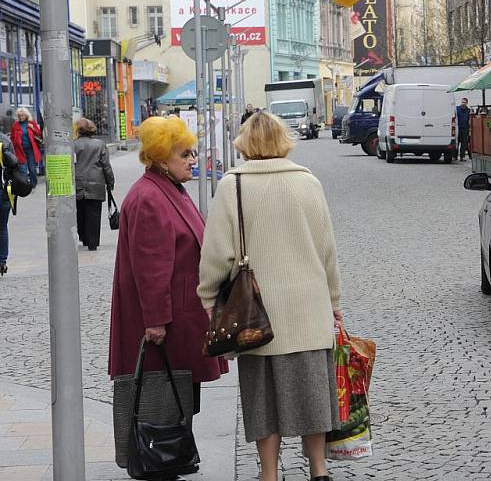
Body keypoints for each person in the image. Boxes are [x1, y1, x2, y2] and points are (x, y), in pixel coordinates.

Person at [198, 112, 342, 481]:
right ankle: (319, 470)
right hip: (309, 310)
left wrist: (209, 297)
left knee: (263, 400)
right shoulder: (308, 182)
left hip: (255, 314)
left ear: (245, 143)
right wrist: (334, 304)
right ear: (284, 139)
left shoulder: (233, 185)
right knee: (313, 396)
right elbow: (327, 250)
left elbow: (218, 253)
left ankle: (268, 474)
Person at [109, 116, 228, 436]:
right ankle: (162, 454)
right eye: (184, 154)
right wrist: (156, 321)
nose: (193, 160)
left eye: (192, 152)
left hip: (182, 311)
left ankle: (173, 450)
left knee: (179, 392)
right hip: (167, 318)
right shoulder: (150, 198)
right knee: (165, 394)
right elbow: (151, 269)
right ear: (161, 159)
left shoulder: (167, 188)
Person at [74, 118, 115, 251]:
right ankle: (93, 242)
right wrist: (110, 182)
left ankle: (84, 238)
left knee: (80, 212)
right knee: (94, 213)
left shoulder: (73, 145)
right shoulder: (100, 144)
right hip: (96, 183)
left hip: (77, 183)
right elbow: (106, 165)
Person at [0, 132, 24, 276]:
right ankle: (2, 261)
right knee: (2, 227)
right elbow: (14, 164)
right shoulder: (4, 139)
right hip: (3, 190)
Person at [10, 107, 42, 189]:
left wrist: (32, 128)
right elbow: (12, 137)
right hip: (20, 150)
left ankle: (33, 184)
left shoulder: (31, 123)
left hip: (31, 150)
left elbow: (39, 134)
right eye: (19, 115)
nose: (21, 117)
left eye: (22, 115)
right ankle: (25, 186)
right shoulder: (15, 125)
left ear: (26, 115)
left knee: (32, 169)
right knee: (23, 169)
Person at [456, 97, 471, 161]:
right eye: (462, 102)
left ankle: (462, 157)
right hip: (458, 128)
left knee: (464, 143)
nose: (463, 103)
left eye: (464, 102)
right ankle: (455, 156)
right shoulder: (457, 109)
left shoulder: (468, 110)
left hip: (465, 128)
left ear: (467, 103)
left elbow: (469, 119)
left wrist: (469, 129)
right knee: (456, 143)